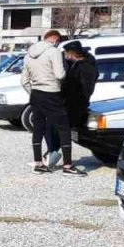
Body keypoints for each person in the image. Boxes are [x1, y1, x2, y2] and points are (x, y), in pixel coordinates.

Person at [22, 30, 85, 176]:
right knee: (64, 129)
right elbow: (59, 74)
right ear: (55, 40)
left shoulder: (29, 55)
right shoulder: (53, 52)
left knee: (38, 128)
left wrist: (33, 92)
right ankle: (68, 166)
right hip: (51, 93)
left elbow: (24, 80)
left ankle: (38, 163)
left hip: (36, 94)